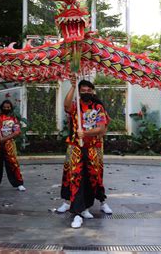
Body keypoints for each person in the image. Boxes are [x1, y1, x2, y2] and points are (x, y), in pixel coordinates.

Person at [58, 77, 111, 229]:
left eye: (89, 90)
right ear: (80, 92)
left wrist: (86, 133)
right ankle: (76, 210)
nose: (86, 93)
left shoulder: (98, 107)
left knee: (92, 177)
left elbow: (101, 128)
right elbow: (66, 106)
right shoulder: (76, 106)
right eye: (83, 90)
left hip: (93, 147)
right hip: (75, 147)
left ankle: (87, 206)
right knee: (75, 177)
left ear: (92, 91)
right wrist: (73, 87)